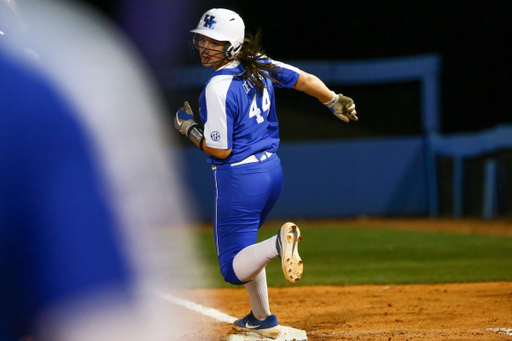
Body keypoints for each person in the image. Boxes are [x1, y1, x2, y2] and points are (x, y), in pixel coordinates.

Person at [174, 8, 358, 338]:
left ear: (231, 45)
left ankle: (279, 242)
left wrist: (188, 128)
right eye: (202, 39)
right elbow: (306, 81)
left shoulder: (218, 87)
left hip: (240, 179)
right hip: (272, 172)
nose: (204, 46)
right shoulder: (258, 61)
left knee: (232, 268)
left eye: (214, 41)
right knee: (246, 250)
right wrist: (332, 100)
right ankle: (262, 319)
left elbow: (220, 150)